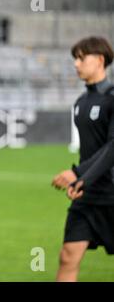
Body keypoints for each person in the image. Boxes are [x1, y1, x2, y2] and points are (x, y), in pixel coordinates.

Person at [52, 36, 114, 282]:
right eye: (74, 59)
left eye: (81, 58)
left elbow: (112, 146)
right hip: (86, 194)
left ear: (100, 60)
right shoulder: (80, 102)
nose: (76, 64)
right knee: (68, 255)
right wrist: (83, 179)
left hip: (111, 193)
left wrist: (78, 174)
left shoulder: (112, 98)